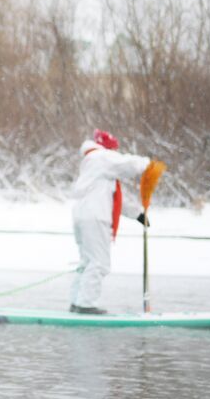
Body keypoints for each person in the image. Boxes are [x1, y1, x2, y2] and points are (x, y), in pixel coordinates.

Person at [68, 128, 163, 314]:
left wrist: (138, 215)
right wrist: (148, 164)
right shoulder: (100, 158)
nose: (115, 154)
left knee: (87, 262)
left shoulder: (95, 166)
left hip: (84, 215)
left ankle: (77, 302)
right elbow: (128, 164)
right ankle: (85, 305)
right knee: (99, 263)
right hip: (95, 217)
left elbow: (115, 199)